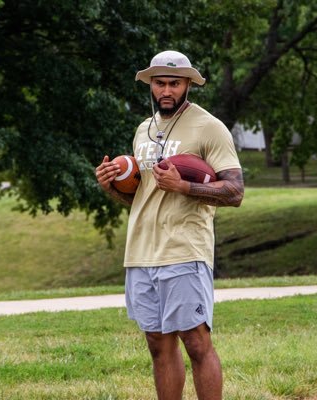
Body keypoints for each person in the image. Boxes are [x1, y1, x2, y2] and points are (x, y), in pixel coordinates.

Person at [95, 50, 244, 400]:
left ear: (188, 85)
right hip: (141, 252)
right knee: (157, 344)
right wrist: (112, 188)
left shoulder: (209, 127)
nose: (166, 90)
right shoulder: (143, 130)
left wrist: (185, 186)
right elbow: (144, 199)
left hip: (184, 249)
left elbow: (235, 191)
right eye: (160, 83)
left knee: (195, 341)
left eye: (174, 83)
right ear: (151, 85)